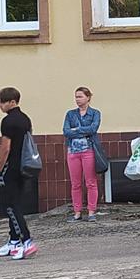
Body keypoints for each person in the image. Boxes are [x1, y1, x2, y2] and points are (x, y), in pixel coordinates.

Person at [0, 87, 37, 259]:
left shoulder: (8, 121)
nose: (0, 105)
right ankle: (13, 242)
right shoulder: (25, 119)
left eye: (2, 102)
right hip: (24, 167)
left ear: (12, 102)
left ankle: (26, 240)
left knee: (11, 206)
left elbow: (6, 148)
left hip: (10, 167)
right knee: (16, 202)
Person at [62, 87, 102, 223]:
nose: (77, 100)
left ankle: (91, 212)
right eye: (76, 97)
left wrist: (76, 130)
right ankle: (77, 212)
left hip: (88, 150)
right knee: (76, 184)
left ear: (88, 97)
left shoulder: (95, 113)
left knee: (91, 182)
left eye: (80, 97)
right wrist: (82, 131)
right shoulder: (70, 114)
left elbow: (93, 129)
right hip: (73, 152)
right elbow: (66, 131)